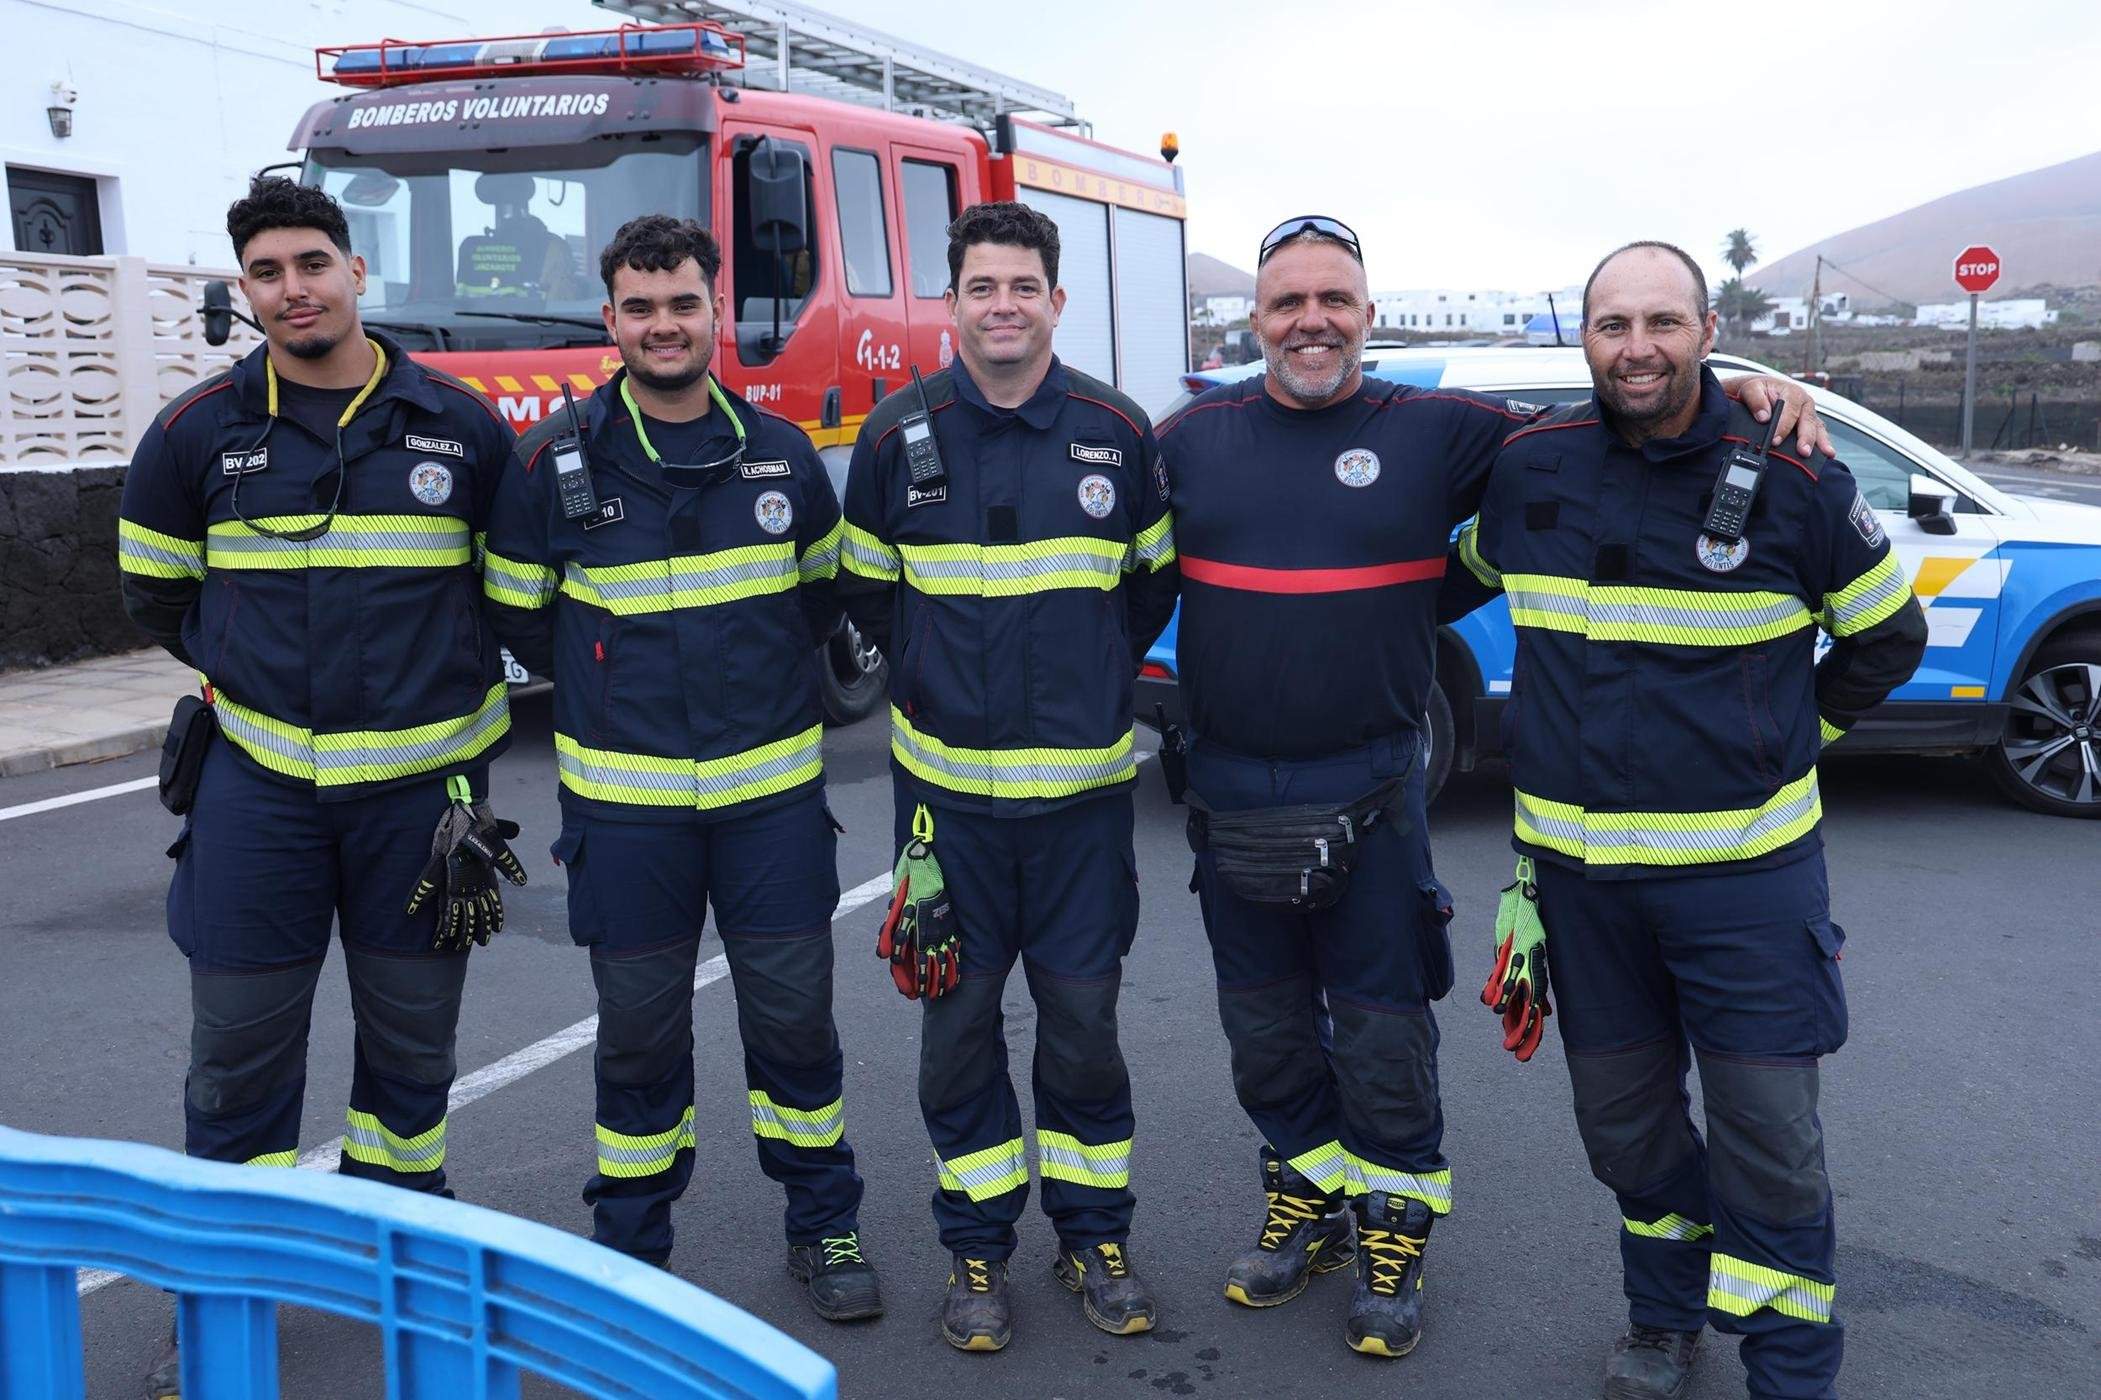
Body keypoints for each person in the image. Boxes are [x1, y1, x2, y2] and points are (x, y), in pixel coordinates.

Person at [1156, 215, 1829, 1360]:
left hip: (1373, 789)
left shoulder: (1452, 433)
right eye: (1286, 303)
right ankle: (1306, 1196)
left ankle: (1394, 1227)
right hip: (1229, 790)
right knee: (1263, 1033)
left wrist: (1756, 389)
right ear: (1252, 318)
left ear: (1369, 313)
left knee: (1380, 1033)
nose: (1310, 321)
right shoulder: (1184, 439)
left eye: (1334, 300)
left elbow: (1623, 413)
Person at [1443, 241, 1927, 1400]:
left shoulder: (1793, 472)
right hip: (1580, 890)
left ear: (1710, 330)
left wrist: (1790, 743)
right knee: (1625, 1132)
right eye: (1613, 325)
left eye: (1663, 321)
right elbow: (1428, 577)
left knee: (1767, 1137)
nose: (1637, 346)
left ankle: (1790, 1365)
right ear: (1584, 340)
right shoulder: (1529, 472)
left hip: (1748, 888)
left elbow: (1885, 639)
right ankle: (1663, 1320)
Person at [117, 175, 522, 1396]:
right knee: (235, 1061)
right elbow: (158, 594)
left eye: (311, 263)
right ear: (247, 292)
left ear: (356, 273)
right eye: (266, 273)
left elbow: (507, 596)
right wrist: (256, 681)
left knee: (411, 1058)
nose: (292, 289)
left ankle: (402, 1258)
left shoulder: (462, 426)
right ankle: (227, 1300)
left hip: (422, 806)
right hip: (259, 797)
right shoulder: (198, 431)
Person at [476, 215, 879, 1321]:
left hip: (772, 814)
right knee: (641, 1038)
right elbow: (517, 617)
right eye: (640, 307)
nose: (663, 324)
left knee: (795, 1026)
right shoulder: (552, 465)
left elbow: (817, 604)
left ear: (716, 315)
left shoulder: (784, 455)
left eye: (683, 303)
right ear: (611, 321)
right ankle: (629, 1245)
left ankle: (824, 1220)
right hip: (626, 818)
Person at [836, 201, 1180, 1353]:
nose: (1001, 306)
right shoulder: (894, 438)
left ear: (1055, 300)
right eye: (980, 287)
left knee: (1082, 1024)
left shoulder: (1116, 432)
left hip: (1082, 809)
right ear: (953, 302)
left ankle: (1094, 1235)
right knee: (960, 1029)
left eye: (1021, 286)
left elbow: (1148, 591)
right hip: (945, 815)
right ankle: (976, 1244)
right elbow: (868, 596)